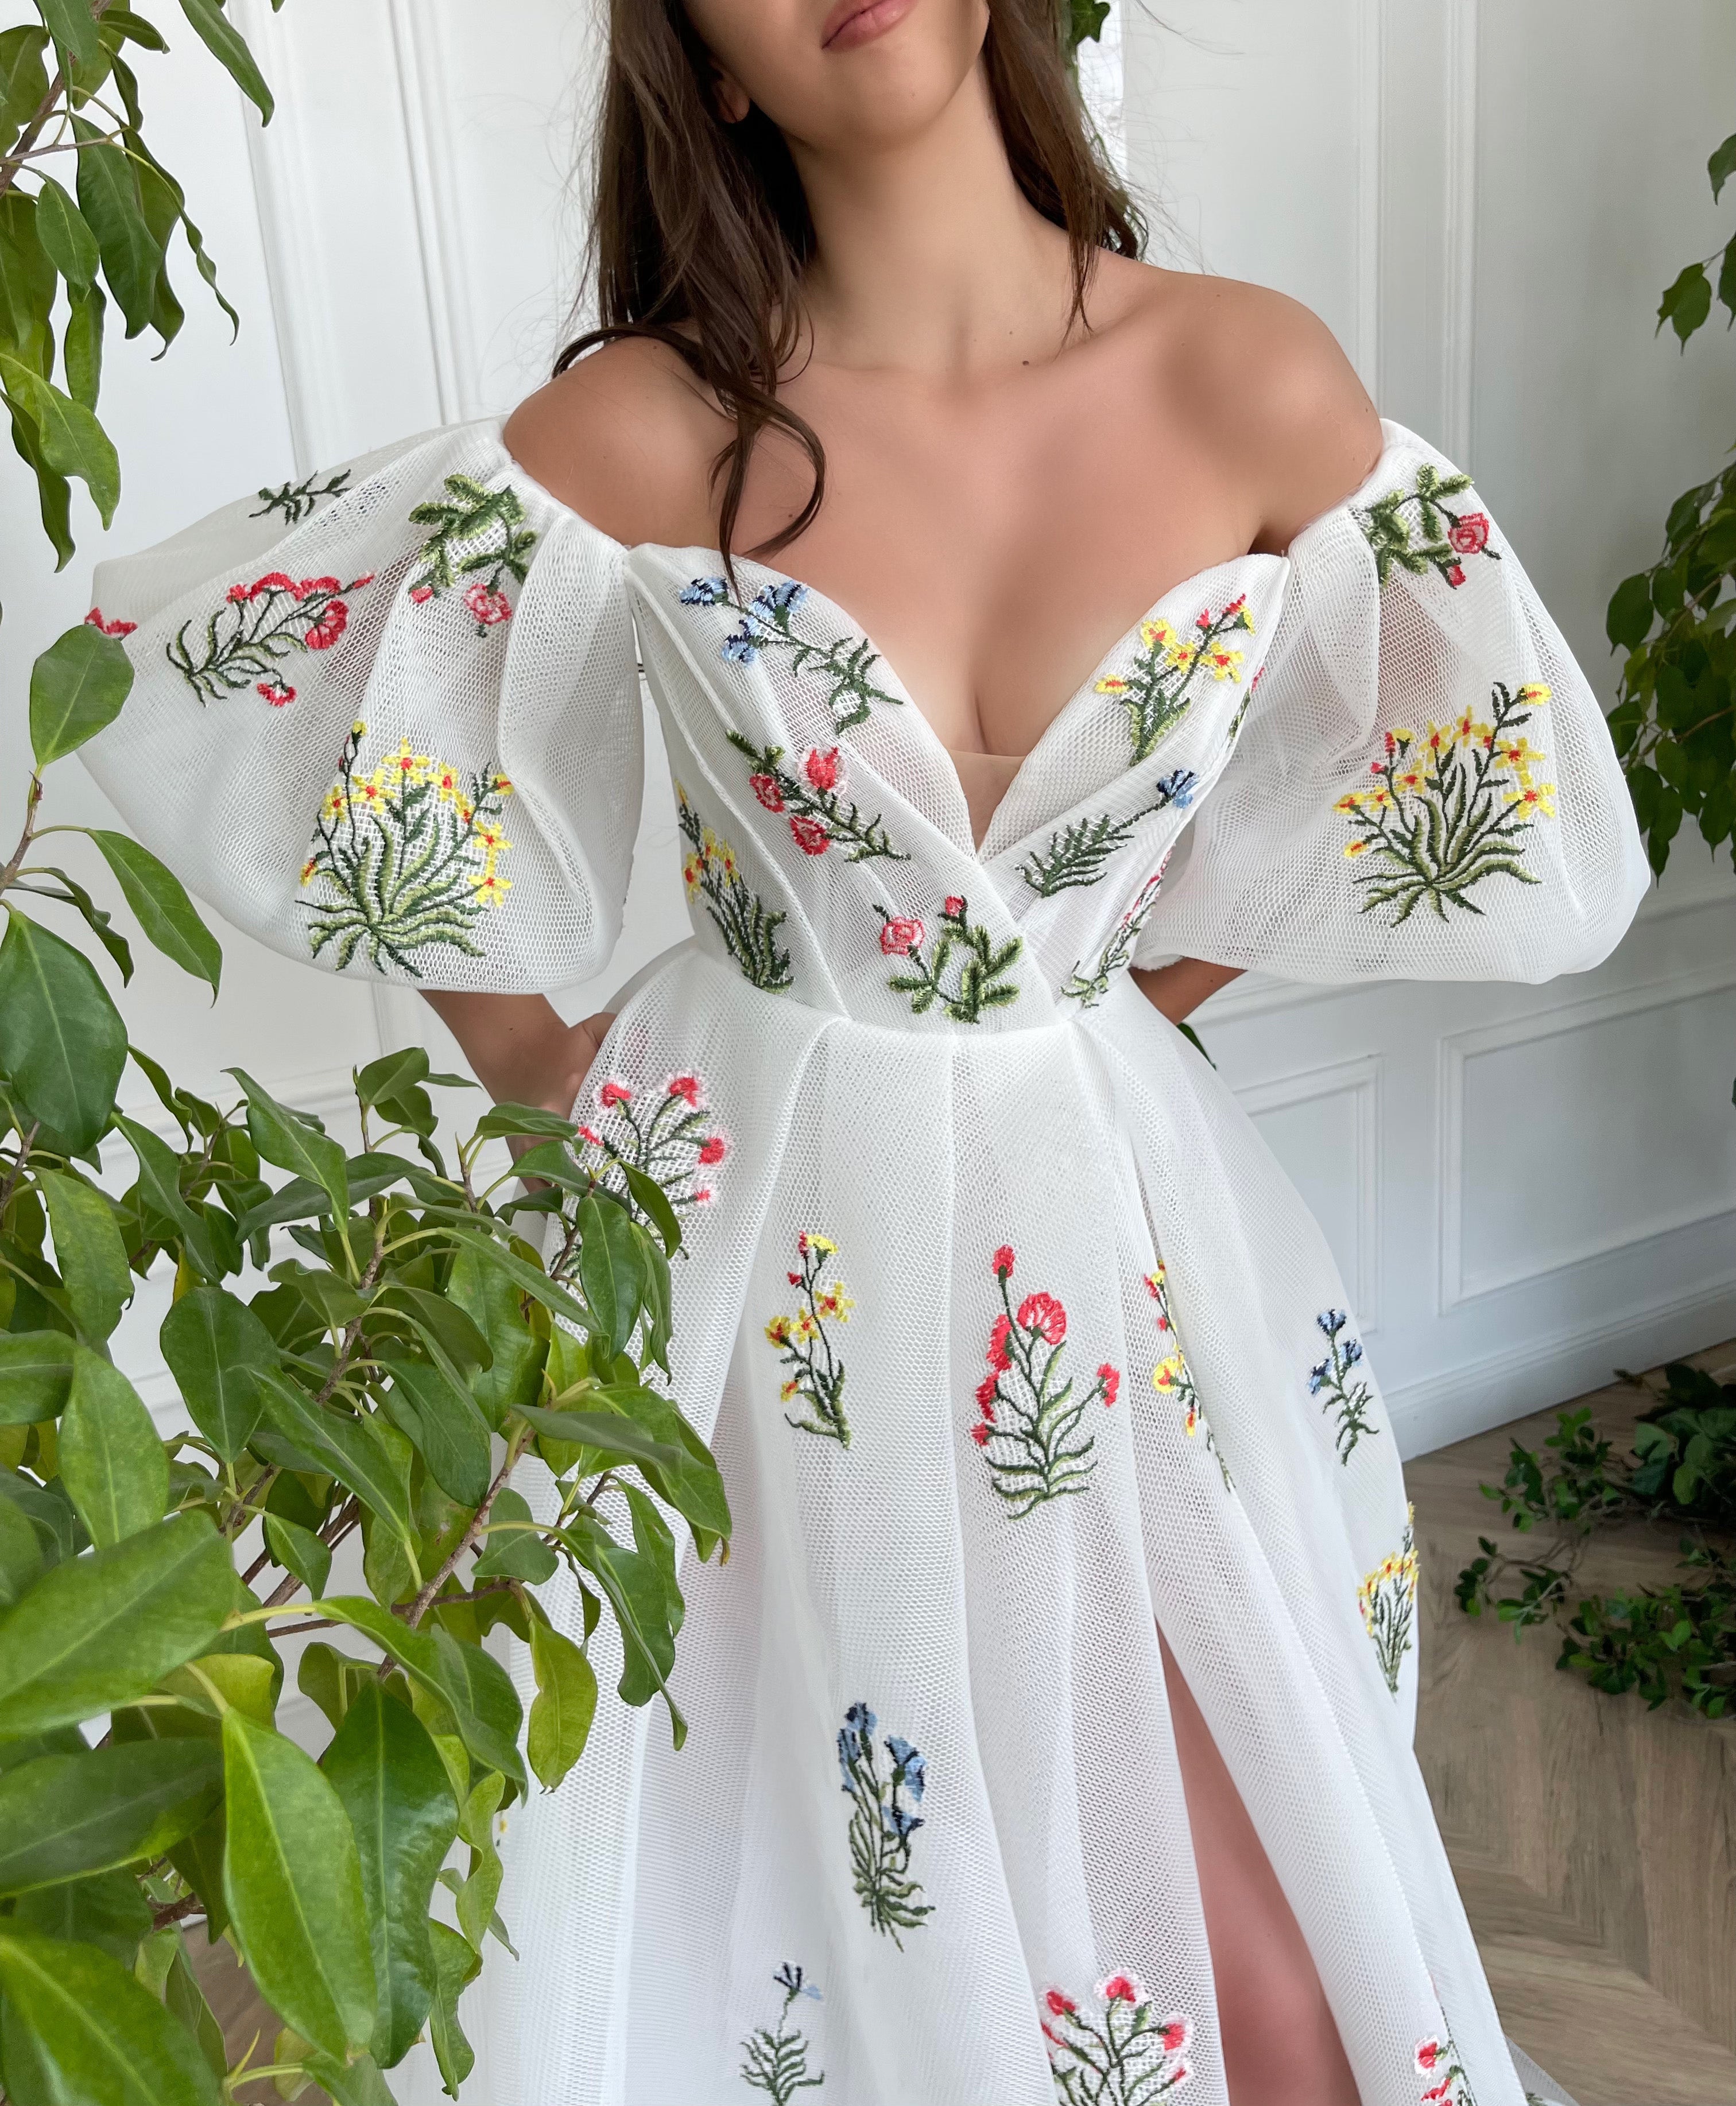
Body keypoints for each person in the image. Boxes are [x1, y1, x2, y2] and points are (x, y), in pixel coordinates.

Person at [83, 3, 1645, 2101]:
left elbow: (1474, 769)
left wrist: (1114, 994)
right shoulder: (648, 433)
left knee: (1280, 1999)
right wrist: (555, 1075)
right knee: (823, 1896)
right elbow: (260, 709)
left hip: (1113, 1245)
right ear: (707, 64)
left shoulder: (1244, 377)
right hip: (748, 1258)